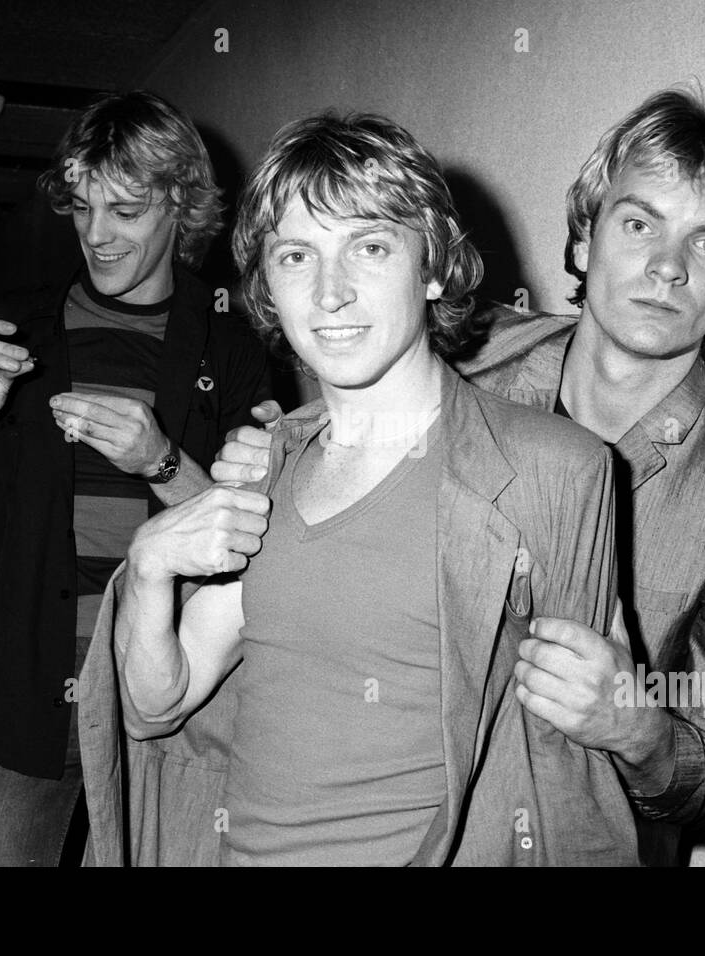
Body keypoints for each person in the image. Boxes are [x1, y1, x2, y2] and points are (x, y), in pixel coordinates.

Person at [213, 89, 705, 865]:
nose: (666, 268)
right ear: (584, 237)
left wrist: (638, 729)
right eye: (639, 224)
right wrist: (273, 452)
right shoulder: (469, 354)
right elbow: (342, 438)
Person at [77, 112, 632, 866]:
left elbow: (570, 768)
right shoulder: (267, 467)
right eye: (296, 256)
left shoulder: (555, 468)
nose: (330, 293)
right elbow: (153, 707)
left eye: (369, 247)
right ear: (268, 287)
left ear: (432, 266)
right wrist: (148, 567)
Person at [0, 91, 270, 866]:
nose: (96, 235)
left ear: (181, 204)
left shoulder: (234, 348)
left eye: (126, 210)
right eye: (81, 206)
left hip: (170, 709)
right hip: (24, 703)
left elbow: (262, 548)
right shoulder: (16, 329)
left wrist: (163, 463)